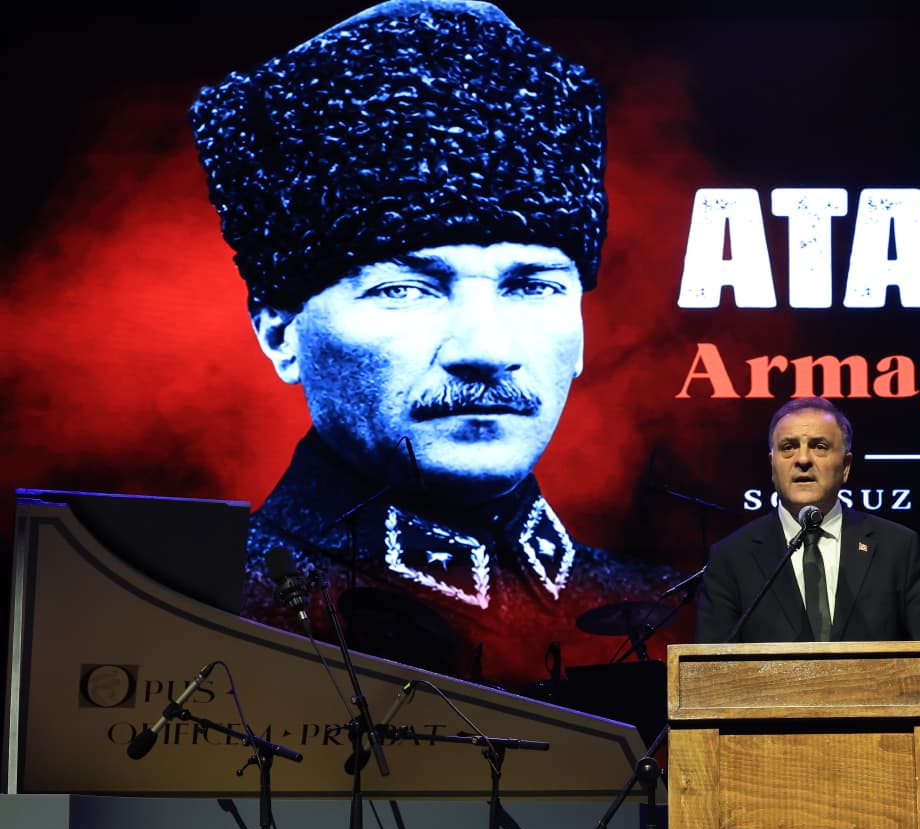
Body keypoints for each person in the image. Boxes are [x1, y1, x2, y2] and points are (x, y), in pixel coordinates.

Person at [189, 0, 685, 687]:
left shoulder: (670, 613)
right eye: (404, 290)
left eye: (532, 286)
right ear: (280, 333)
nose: (486, 348)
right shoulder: (197, 613)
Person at [696, 397, 920, 644]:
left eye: (819, 447)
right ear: (772, 466)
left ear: (845, 466)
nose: (802, 459)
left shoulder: (898, 548)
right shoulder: (731, 558)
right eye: (788, 448)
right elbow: (709, 670)